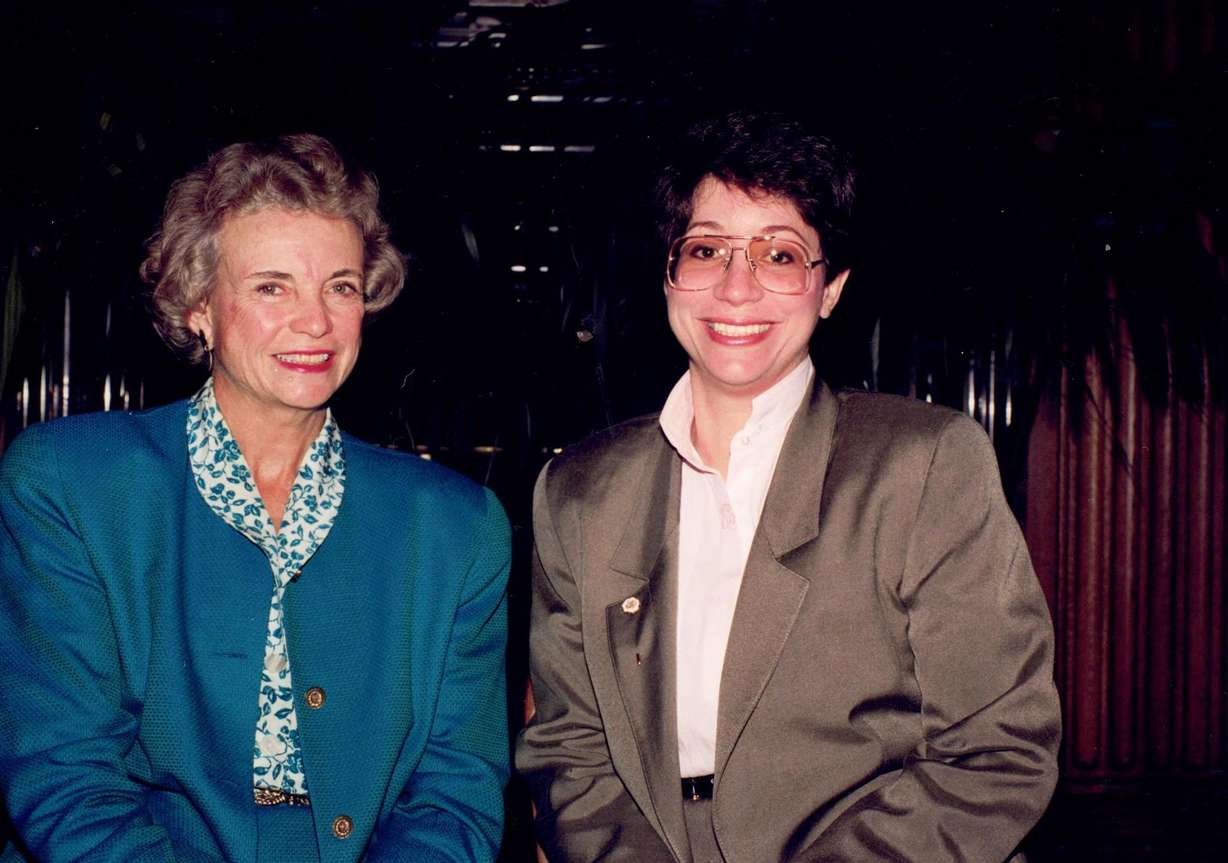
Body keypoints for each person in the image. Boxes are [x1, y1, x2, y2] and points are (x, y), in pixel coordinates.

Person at [516, 111, 1061, 862]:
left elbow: (997, 754)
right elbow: (569, 750)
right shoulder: (580, 491)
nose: (737, 288)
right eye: (706, 249)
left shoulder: (923, 466)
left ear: (830, 288)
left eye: (779, 255)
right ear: (669, 273)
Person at [0, 134, 511, 862]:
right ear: (199, 304)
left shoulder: (456, 528)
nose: (316, 321)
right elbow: (64, 773)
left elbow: (455, 792)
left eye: (340, 285)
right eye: (273, 286)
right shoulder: (69, 485)